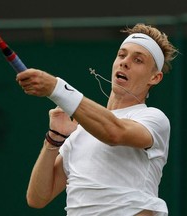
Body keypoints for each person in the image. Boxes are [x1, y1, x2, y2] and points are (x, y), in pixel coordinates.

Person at [16, 23, 178, 216]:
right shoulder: (81, 132)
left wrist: (57, 89)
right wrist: (54, 137)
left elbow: (114, 133)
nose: (125, 62)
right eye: (122, 54)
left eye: (138, 60)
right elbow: (37, 198)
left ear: (155, 77)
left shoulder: (153, 119)